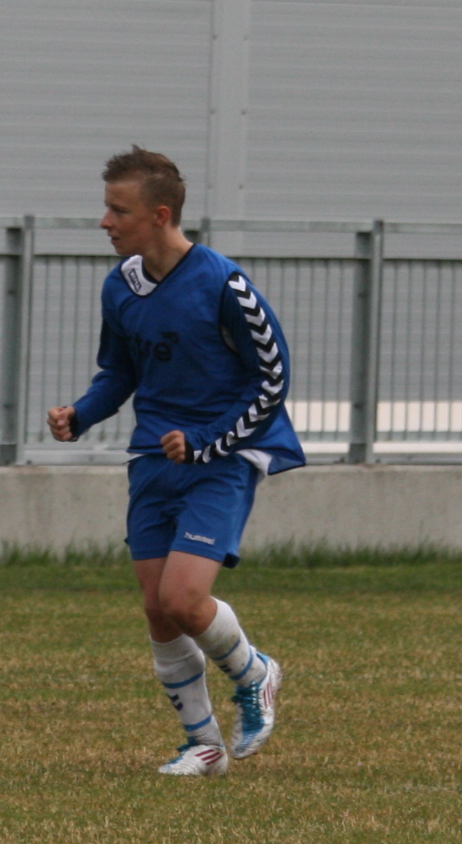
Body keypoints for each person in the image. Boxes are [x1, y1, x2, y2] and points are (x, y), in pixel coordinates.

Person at [45, 147, 298, 777]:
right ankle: (203, 745)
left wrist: (208, 442)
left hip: (222, 458)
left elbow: (272, 378)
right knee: (158, 608)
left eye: (118, 210)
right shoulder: (121, 285)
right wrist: (82, 414)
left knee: (185, 599)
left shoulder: (224, 284)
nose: (105, 221)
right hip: (152, 457)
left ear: (160, 216)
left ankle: (256, 673)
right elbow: (119, 371)